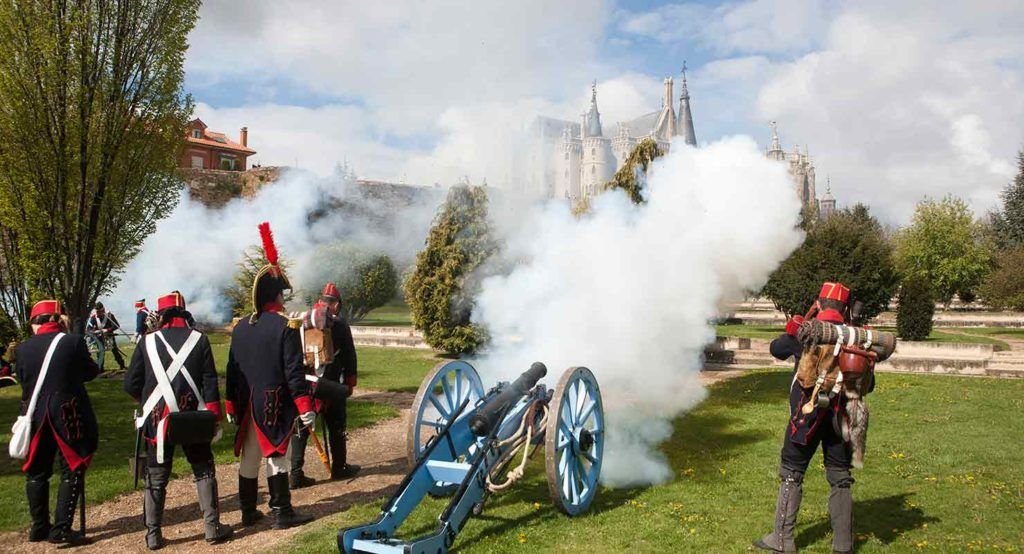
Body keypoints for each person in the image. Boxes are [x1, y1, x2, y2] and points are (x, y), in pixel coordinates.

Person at [124, 291, 233, 549]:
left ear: (161, 316)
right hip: (192, 416)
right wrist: (214, 418)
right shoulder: (200, 340)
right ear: (183, 314)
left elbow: (130, 384)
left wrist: (150, 401)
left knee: (156, 476)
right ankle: (211, 527)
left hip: (157, 418)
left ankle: (152, 535)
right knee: (203, 468)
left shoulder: (146, 342)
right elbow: (209, 384)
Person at [225, 222, 315, 529]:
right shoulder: (285, 327)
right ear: (275, 294)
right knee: (279, 455)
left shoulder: (239, 327)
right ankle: (281, 511)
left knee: (249, 456)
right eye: (282, 292)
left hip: (247, 403)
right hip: (274, 402)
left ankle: (248, 510)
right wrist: (305, 407)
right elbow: (293, 371)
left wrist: (229, 404)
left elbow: (232, 371)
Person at [754, 282, 855, 554]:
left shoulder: (808, 332)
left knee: (791, 473)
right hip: (841, 416)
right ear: (844, 308)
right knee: (840, 477)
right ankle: (843, 545)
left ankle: (782, 540)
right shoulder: (854, 336)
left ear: (819, 304)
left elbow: (777, 349)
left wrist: (802, 321)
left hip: (806, 415)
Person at [15, 300, 99, 545]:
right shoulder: (72, 342)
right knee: (72, 467)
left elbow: (24, 380)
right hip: (67, 413)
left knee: (37, 472)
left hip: (34, 414)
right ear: (58, 319)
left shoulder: (22, 349)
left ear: (35, 323)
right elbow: (90, 372)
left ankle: (39, 527)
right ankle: (61, 529)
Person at [289, 283, 361, 489]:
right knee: (337, 424)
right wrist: (350, 382)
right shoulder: (339, 324)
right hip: (330, 384)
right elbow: (349, 356)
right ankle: (339, 467)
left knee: (302, 427)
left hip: (307, 384)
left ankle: (295, 473)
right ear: (336, 305)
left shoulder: (303, 321)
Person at [86, 301, 127, 371]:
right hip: (99, 336)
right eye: (97, 312)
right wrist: (95, 331)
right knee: (100, 352)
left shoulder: (109, 316)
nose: (98, 314)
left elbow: (116, 326)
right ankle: (100, 368)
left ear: (103, 310)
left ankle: (122, 365)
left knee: (115, 350)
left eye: (100, 312)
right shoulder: (93, 317)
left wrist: (107, 330)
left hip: (109, 335)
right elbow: (88, 329)